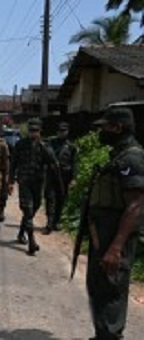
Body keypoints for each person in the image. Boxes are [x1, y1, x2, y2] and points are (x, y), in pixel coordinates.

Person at [83, 108, 144, 339]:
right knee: (100, 290)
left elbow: (136, 206)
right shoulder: (119, 155)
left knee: (111, 293)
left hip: (115, 241)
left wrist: (116, 248)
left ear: (118, 128)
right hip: (104, 238)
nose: (101, 132)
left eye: (104, 127)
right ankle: (102, 335)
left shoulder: (132, 157)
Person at [8, 118, 60, 256]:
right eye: (31, 130)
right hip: (24, 182)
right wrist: (10, 182)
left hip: (38, 183)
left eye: (36, 131)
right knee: (28, 209)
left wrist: (58, 185)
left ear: (40, 131)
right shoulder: (20, 145)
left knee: (33, 209)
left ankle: (21, 233)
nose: (33, 133)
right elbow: (13, 164)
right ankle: (32, 242)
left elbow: (54, 164)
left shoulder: (45, 146)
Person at [44, 122, 78, 234]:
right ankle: (49, 222)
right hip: (51, 175)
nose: (61, 133)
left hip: (64, 177)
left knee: (61, 199)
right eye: (59, 131)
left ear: (67, 132)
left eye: (63, 131)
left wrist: (74, 178)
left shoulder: (71, 147)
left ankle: (56, 222)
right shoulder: (50, 143)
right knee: (50, 198)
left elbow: (74, 163)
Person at [0, 125, 20, 222]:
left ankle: (0, 211)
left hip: (4, 171)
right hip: (3, 171)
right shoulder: (16, 141)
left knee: (1, 192)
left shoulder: (3, 143)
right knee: (0, 192)